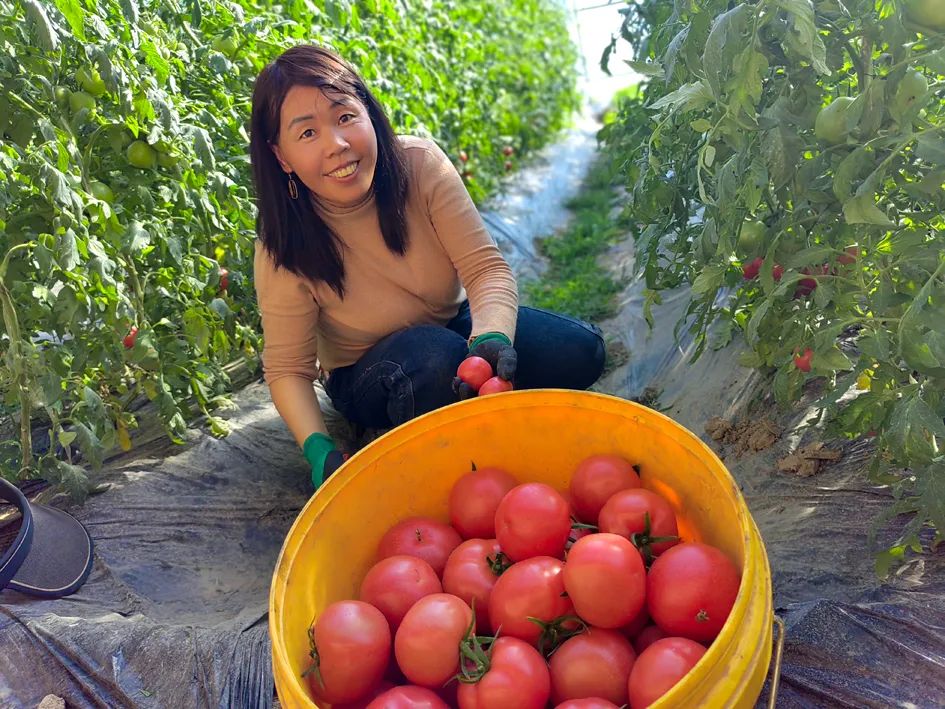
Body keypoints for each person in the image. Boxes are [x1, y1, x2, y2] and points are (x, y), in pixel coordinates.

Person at [250, 44, 606, 490]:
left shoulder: (418, 166)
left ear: (368, 112)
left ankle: (458, 413)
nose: (336, 145)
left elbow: (485, 269)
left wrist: (491, 337)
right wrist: (319, 448)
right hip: (365, 371)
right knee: (436, 361)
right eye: (307, 133)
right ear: (281, 157)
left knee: (579, 350)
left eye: (345, 116)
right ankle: (437, 416)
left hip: (450, 327)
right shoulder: (283, 243)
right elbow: (288, 368)